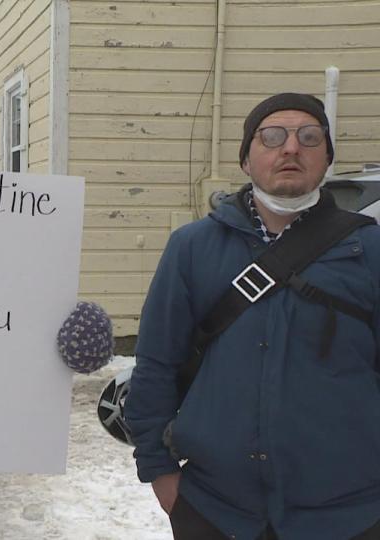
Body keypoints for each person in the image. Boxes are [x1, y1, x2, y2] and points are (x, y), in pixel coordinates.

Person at [126, 93, 380, 540]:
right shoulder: (192, 248)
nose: (290, 148)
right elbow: (155, 364)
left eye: (309, 137)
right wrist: (160, 474)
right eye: (272, 136)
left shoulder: (369, 251)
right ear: (246, 159)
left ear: (326, 160)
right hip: (215, 511)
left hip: (349, 514)